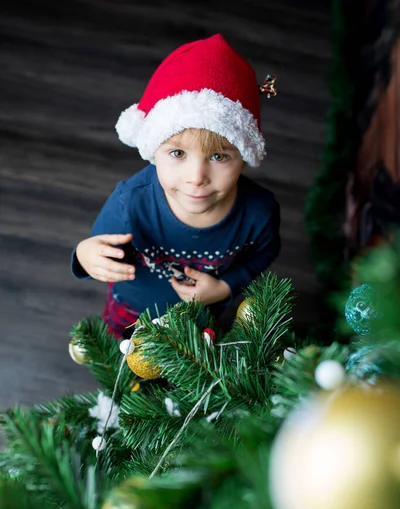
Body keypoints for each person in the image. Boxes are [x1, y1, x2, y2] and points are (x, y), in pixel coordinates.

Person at [72, 34, 280, 338]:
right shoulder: (131, 202)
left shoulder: (259, 213)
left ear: (245, 157)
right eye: (178, 153)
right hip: (131, 312)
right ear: (152, 148)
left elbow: (265, 252)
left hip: (200, 319)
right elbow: (99, 247)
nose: (196, 177)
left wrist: (225, 287)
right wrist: (83, 256)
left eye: (219, 156)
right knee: (123, 368)